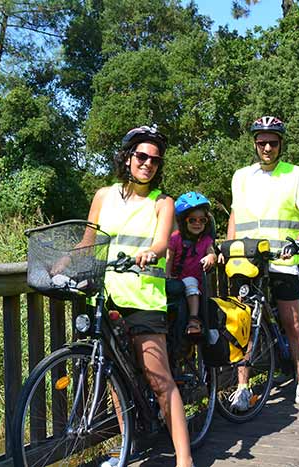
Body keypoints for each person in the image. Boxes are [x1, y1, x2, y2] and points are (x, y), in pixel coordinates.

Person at [88, 125, 194, 467]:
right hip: (108, 296)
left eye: (154, 160)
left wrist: (151, 251)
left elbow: (163, 242)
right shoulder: (103, 196)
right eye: (141, 156)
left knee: (159, 378)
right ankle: (128, 443)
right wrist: (59, 264)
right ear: (127, 157)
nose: (148, 164)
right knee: (115, 375)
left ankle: (184, 458)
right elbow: (87, 242)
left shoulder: (163, 202)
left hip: (144, 295)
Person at [226, 115, 299, 411]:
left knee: (292, 322)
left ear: (280, 144)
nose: (267, 148)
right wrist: (229, 248)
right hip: (246, 259)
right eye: (262, 143)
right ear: (255, 144)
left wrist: (298, 241)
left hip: (283, 259)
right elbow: (234, 215)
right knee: (241, 324)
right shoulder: (240, 176)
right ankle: (242, 388)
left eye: (272, 142)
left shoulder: (294, 173)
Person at [166, 191, 217, 336]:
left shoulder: (206, 240)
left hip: (196, 281)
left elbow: (211, 252)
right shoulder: (176, 238)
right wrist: (167, 275)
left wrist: (210, 257)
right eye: (192, 220)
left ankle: (194, 319)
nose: (197, 223)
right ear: (183, 221)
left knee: (190, 282)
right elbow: (169, 257)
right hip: (178, 278)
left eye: (202, 220)